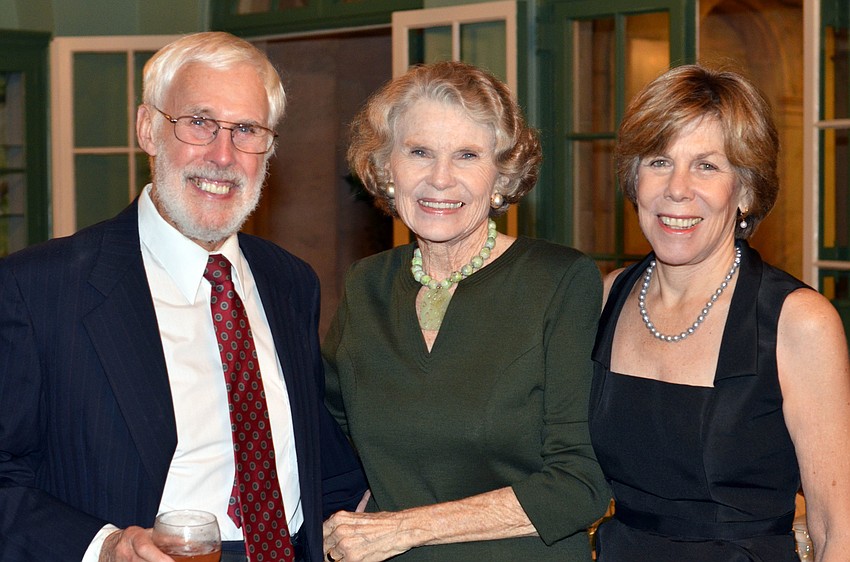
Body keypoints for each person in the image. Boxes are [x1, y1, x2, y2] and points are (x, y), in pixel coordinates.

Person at [0, 32, 366, 562]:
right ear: (148, 128)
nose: (223, 155)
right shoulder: (39, 289)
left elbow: (318, 455)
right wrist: (104, 547)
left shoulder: (290, 282)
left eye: (246, 129)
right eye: (198, 122)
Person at [321, 61, 610, 562]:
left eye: (467, 155)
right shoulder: (366, 284)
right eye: (419, 152)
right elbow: (331, 440)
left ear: (501, 173)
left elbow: (581, 485)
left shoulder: (559, 282)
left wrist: (405, 528)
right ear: (387, 168)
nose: (440, 179)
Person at [588, 64, 850, 561]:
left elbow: (839, 530)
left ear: (746, 190)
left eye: (707, 166)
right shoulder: (606, 299)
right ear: (634, 178)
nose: (677, 189)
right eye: (659, 161)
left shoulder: (799, 323)